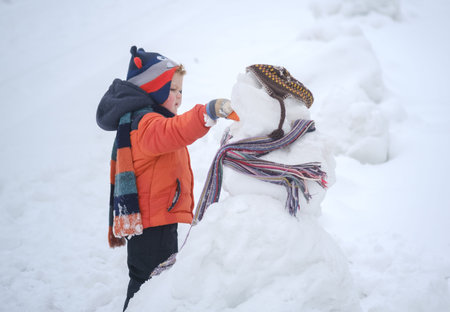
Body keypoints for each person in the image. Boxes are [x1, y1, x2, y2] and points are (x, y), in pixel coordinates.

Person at [96, 46, 238, 311]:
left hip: (157, 222)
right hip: (155, 227)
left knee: (146, 288)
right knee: (149, 289)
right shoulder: (147, 124)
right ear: (152, 89)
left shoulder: (144, 122)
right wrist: (207, 112)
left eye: (181, 90)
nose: (178, 97)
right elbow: (175, 131)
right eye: (172, 89)